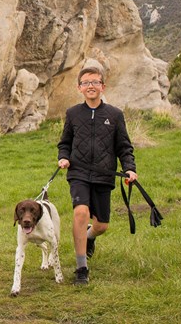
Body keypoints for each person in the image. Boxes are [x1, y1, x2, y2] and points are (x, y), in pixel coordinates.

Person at [57, 65, 137, 285]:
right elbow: (65, 142)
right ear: (79, 88)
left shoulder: (115, 115)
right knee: (81, 213)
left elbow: (124, 146)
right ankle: (81, 268)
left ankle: (90, 237)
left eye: (95, 82)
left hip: (104, 175)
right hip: (79, 173)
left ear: (103, 86)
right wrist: (63, 157)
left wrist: (130, 168)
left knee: (101, 225)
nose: (90, 86)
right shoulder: (73, 113)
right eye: (85, 83)